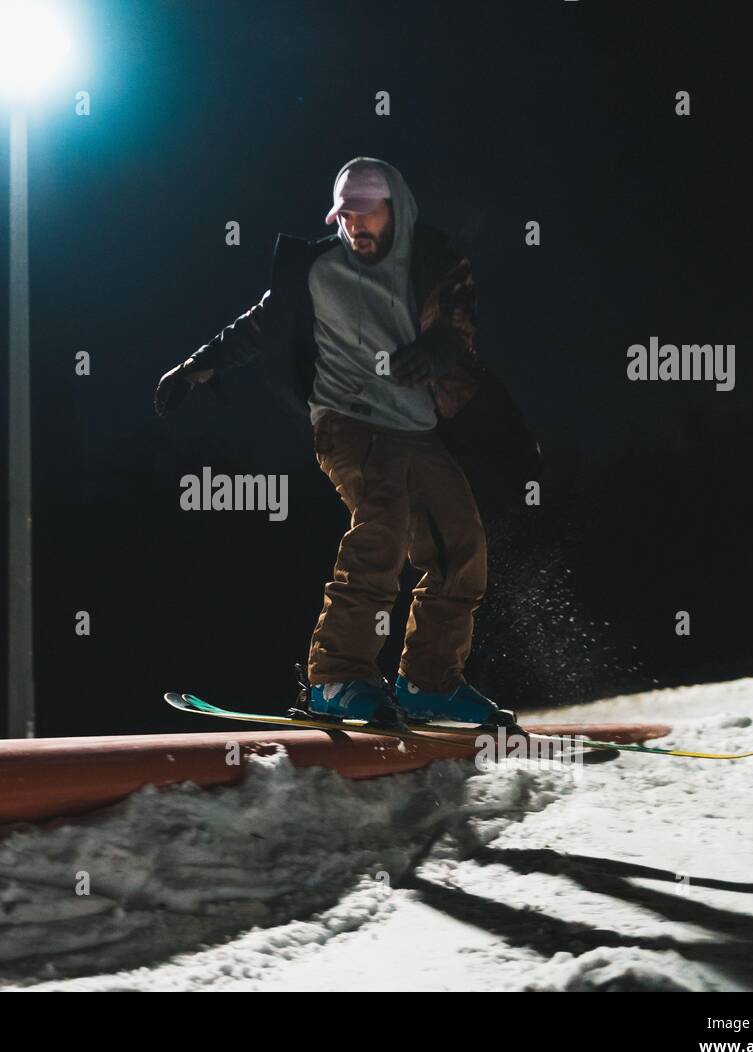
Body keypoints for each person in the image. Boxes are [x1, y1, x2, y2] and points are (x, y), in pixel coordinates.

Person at [155, 157, 533, 730]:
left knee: (461, 546)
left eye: (365, 214)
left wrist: (438, 351)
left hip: (417, 428)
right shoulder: (317, 270)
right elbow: (261, 325)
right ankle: (336, 677)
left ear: (395, 208)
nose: (354, 226)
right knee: (382, 521)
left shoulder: (433, 260)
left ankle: (429, 682)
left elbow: (456, 324)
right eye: (344, 216)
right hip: (347, 423)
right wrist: (197, 366)